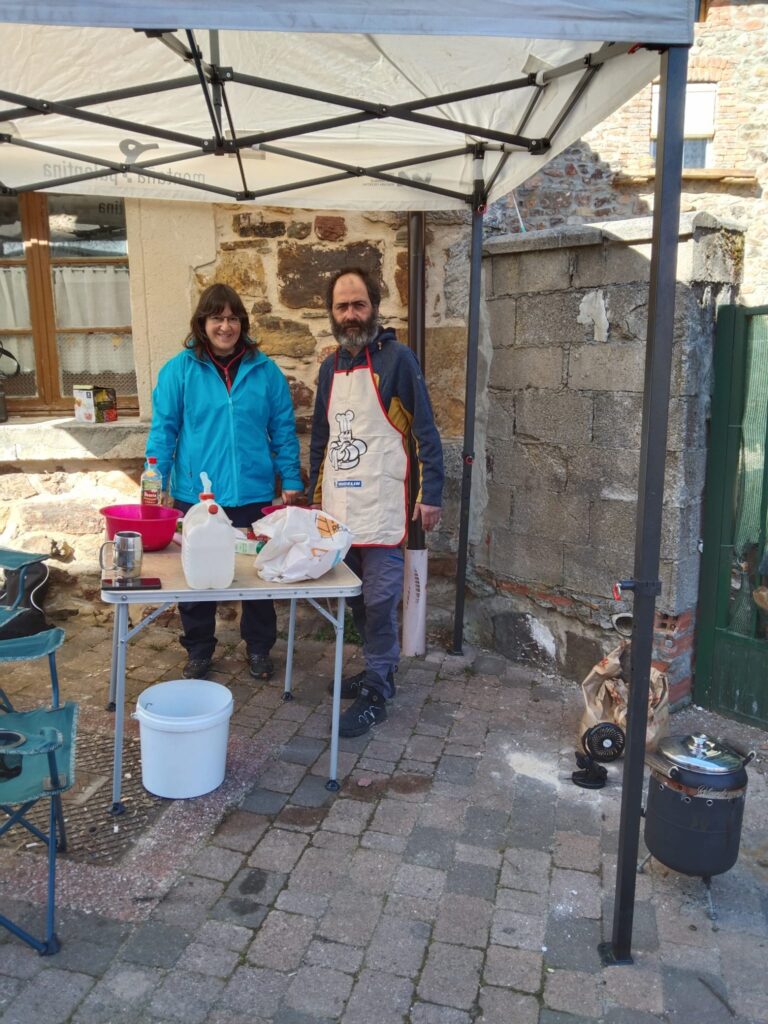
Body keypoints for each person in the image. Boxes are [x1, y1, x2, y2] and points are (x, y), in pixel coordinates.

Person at [309, 267, 444, 737]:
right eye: (342, 306)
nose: (350, 314)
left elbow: (425, 430)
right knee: (355, 598)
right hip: (339, 509)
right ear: (332, 312)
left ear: (374, 307)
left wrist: (432, 493)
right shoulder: (329, 368)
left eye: (358, 304)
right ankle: (376, 668)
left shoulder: (398, 360)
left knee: (382, 598)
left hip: (383, 504)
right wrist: (313, 498)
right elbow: (323, 438)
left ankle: (378, 690)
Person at [146, 283, 304, 680]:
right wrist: (154, 482)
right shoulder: (179, 371)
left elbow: (283, 430)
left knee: (257, 577)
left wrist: (290, 478)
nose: (226, 326)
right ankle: (199, 650)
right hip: (196, 496)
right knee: (197, 578)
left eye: (233, 318)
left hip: (253, 493)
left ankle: (259, 649)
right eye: (217, 317)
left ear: (242, 324)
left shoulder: (265, 371)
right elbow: (164, 431)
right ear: (202, 323)